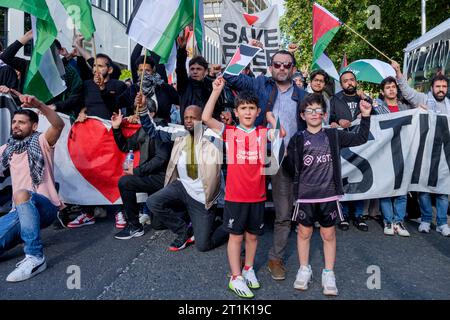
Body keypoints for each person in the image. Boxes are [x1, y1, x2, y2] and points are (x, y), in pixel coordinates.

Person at [224, 40, 307, 281]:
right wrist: (246, 51)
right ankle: (240, 259)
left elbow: (314, 119)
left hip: (285, 158)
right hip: (255, 154)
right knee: (245, 206)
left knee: (283, 211)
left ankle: (275, 257)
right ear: (271, 67)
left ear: (293, 68)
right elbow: (230, 75)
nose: (282, 68)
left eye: (287, 65)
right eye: (277, 64)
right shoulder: (259, 83)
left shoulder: (302, 94)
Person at [284, 93, 372, 296]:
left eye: (318, 110)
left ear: (324, 115)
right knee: (304, 233)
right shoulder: (297, 139)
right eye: (309, 110)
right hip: (306, 196)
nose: (314, 113)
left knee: (328, 234)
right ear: (302, 115)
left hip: (329, 195)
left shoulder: (333, 135)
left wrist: (366, 117)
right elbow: (289, 166)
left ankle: (328, 272)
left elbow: (360, 137)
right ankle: (304, 269)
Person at [202, 77, 279, 299]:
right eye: (243, 108)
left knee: (253, 236)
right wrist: (216, 91)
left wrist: (272, 119)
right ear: (236, 112)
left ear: (257, 112)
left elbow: (281, 133)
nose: (247, 112)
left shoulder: (263, 132)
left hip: (257, 195)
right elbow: (206, 118)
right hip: (236, 197)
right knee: (235, 237)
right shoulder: (230, 132)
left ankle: (248, 268)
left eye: (251, 108)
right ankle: (235, 277)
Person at [139, 101, 228, 252]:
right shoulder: (180, 133)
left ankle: (228, 226)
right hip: (182, 187)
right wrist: (142, 109)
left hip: (202, 197)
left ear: (202, 119)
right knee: (153, 204)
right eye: (186, 117)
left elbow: (233, 142)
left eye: (193, 118)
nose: (188, 120)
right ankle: (184, 231)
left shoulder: (213, 137)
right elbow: (153, 131)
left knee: (203, 245)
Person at [0, 91, 65, 282]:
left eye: (22, 122)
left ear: (34, 125)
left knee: (21, 194)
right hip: (17, 213)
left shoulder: (42, 142)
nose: (16, 126)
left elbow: (58, 124)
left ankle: (35, 257)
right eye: (14, 122)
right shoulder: (8, 149)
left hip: (45, 207)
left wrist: (38, 104)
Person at [391, 60, 450, 236]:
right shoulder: (423, 99)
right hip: (424, 153)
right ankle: (425, 219)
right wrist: (399, 73)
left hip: (443, 154)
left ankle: (441, 223)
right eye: (438, 86)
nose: (441, 89)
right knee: (423, 189)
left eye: (444, 86)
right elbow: (407, 92)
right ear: (431, 88)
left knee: (443, 189)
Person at [112, 98, 172, 238]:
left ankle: (135, 226)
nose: (137, 116)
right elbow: (126, 146)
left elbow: (160, 159)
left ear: (151, 113)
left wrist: (137, 171)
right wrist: (116, 128)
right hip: (150, 177)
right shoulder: (142, 130)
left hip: (162, 178)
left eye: (141, 112)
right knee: (157, 224)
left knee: (125, 182)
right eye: (136, 112)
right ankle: (135, 225)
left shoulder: (160, 127)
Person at [329, 70, 371, 232]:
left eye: (351, 80)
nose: (349, 83)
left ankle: (359, 215)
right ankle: (344, 214)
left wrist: (366, 103)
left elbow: (375, 113)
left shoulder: (364, 98)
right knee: (345, 177)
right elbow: (330, 117)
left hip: (363, 143)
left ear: (356, 81)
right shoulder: (335, 98)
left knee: (360, 177)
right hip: (343, 142)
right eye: (345, 81)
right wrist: (338, 120)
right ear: (342, 84)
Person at [371, 76, 412, 236]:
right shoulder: (378, 108)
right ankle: (388, 220)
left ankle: (399, 221)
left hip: (403, 151)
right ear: (382, 91)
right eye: (388, 87)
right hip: (385, 152)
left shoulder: (405, 107)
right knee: (386, 187)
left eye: (393, 87)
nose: (391, 89)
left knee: (402, 187)